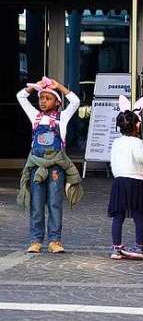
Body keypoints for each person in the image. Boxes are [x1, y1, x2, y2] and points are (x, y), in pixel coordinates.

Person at [16, 77, 81, 254]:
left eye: (48, 98)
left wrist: (58, 86)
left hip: (55, 169)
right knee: (36, 204)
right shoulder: (34, 116)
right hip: (37, 167)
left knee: (54, 203)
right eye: (41, 98)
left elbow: (75, 101)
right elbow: (21, 97)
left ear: (57, 102)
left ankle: (55, 241)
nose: (43, 101)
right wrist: (34, 87)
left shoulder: (63, 117)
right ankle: (36, 240)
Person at [108, 97, 143, 260]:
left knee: (118, 216)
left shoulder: (116, 143)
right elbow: (140, 156)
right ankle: (139, 247)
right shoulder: (137, 142)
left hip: (119, 181)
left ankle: (116, 247)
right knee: (138, 215)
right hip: (135, 182)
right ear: (137, 125)